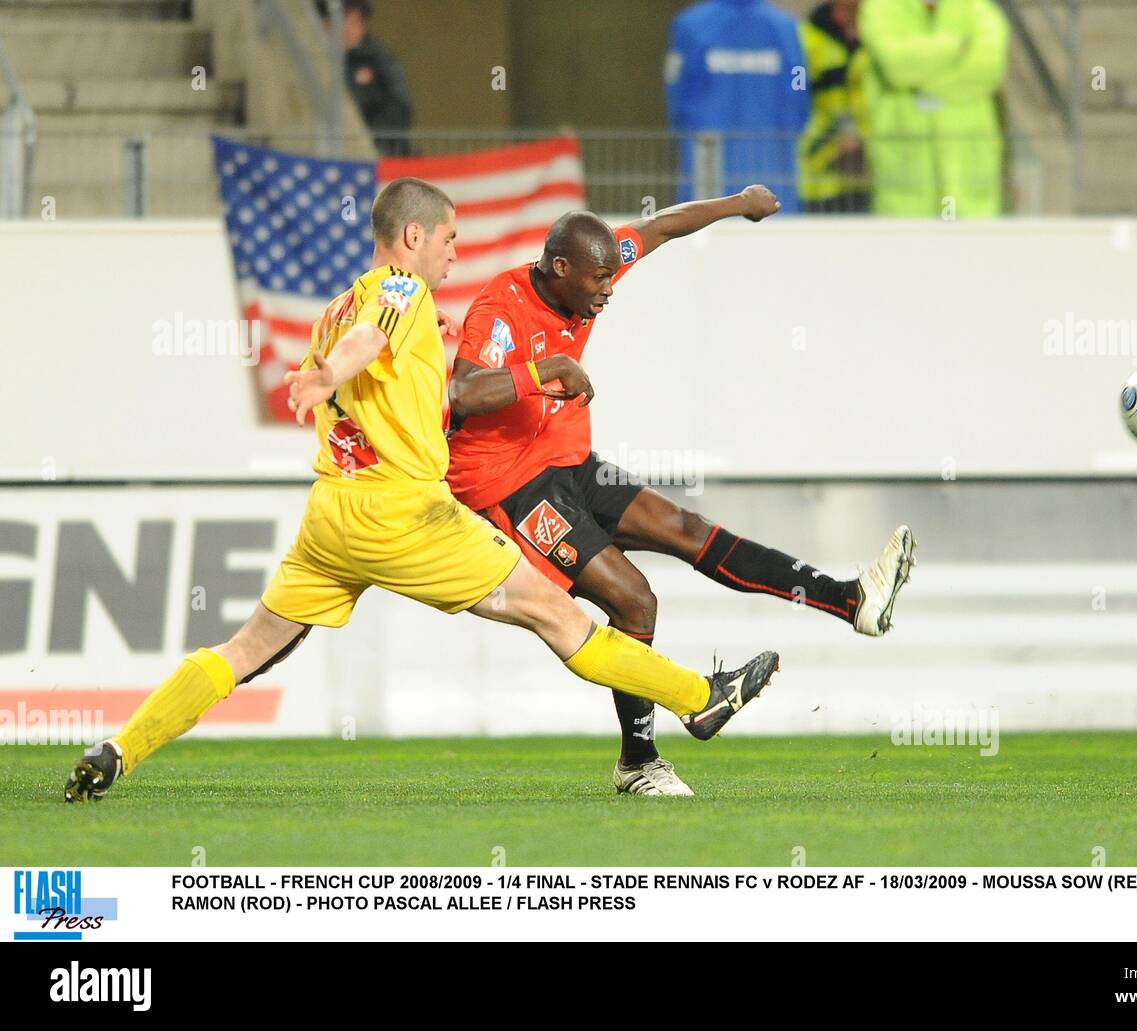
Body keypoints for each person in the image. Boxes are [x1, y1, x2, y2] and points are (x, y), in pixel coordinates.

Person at [64, 179, 780, 803]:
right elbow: (367, 348)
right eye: (448, 239)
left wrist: (388, 360)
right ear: (412, 236)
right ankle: (699, 697)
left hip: (332, 517)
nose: (455, 253)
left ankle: (119, 749)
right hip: (406, 511)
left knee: (244, 648)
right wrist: (327, 376)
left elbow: (384, 369)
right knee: (558, 614)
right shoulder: (399, 291)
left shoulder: (338, 308)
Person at [445, 186, 915, 797]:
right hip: (506, 485)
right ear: (560, 268)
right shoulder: (500, 308)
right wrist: (545, 373)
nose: (609, 289)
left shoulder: (594, 266)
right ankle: (639, 761)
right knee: (636, 602)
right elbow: (463, 392)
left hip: (569, 462)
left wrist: (738, 203)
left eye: (613, 274)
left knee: (689, 532)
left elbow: (662, 227)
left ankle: (850, 601)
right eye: (598, 279)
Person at [859, 0, 1008, 217]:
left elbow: (988, 67)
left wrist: (919, 79)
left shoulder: (979, 7)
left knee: (972, 250)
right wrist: (956, 46)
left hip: (967, 181)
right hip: (905, 189)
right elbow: (896, 65)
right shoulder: (880, 7)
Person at [665, 0, 809, 211]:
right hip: (773, 167)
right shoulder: (784, 26)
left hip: (709, 166)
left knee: (706, 226)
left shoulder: (691, 24)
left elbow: (678, 92)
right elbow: (799, 91)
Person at [798, 0, 872, 213]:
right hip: (819, 177)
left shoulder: (881, 38)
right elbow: (794, 97)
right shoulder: (807, 39)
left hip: (870, 175)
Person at [317, 0, 413, 156]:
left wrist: (373, 143)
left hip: (376, 153)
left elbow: (399, 106)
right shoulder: (316, 61)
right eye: (340, 20)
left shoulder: (380, 60)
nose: (346, 28)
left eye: (355, 21)